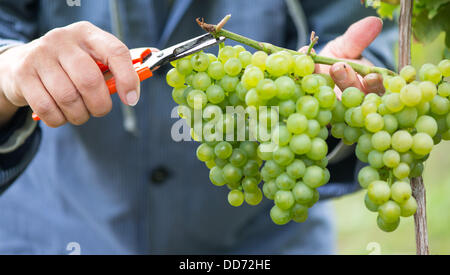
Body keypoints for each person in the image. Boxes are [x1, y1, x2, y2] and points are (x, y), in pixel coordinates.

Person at [0, 0, 396, 254]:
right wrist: (9, 68)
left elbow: (368, 35)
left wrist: (330, 103)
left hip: (260, 246)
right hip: (52, 234)